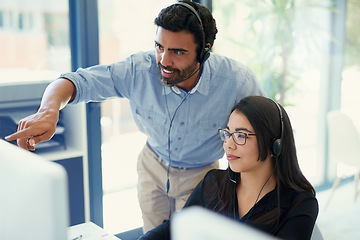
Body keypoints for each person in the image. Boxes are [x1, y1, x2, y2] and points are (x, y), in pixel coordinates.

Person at [5, 1, 263, 233]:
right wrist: (49, 111)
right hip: (152, 164)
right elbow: (77, 82)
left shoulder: (236, 81)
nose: (164, 60)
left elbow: (266, 132)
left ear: (204, 51)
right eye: (159, 47)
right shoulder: (140, 69)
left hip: (202, 174)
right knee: (152, 234)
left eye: (177, 52)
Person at [140, 96, 319, 240]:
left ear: (275, 145)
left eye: (241, 135)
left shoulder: (300, 204)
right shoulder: (212, 183)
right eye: (227, 134)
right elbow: (175, 227)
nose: (228, 145)